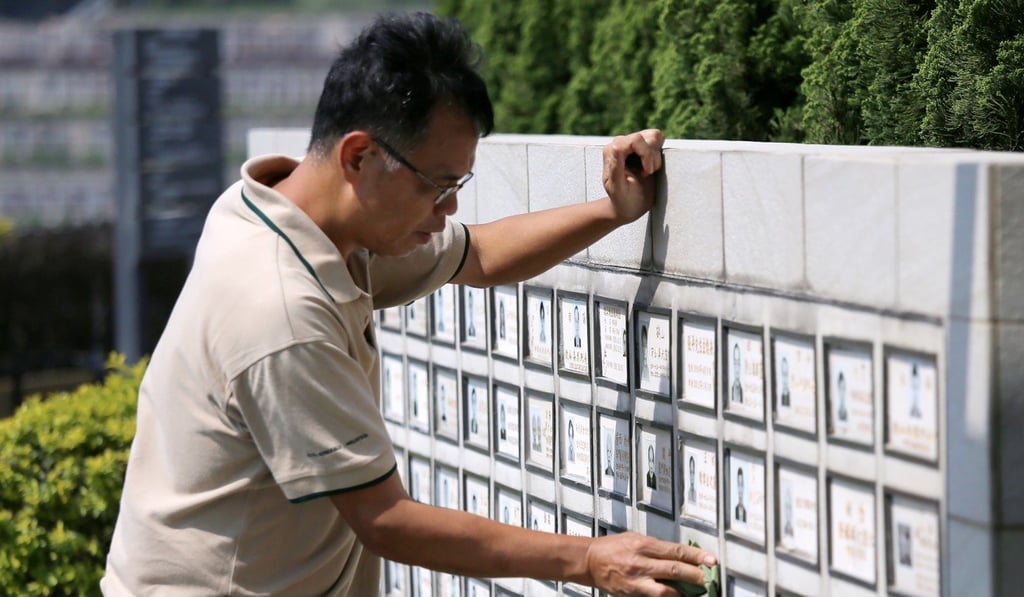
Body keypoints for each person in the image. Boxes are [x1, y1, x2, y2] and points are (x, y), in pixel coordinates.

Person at [101, 12, 715, 596]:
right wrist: (587, 559)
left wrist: (612, 210)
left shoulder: (296, 217)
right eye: (437, 185)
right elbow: (385, 518)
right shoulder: (279, 309)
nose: (448, 209)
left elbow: (478, 255)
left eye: (458, 187)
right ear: (359, 156)